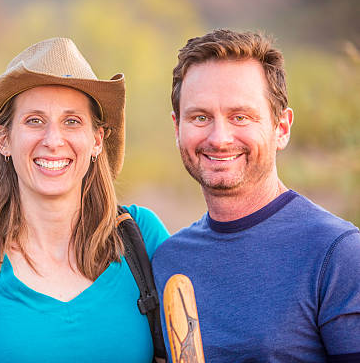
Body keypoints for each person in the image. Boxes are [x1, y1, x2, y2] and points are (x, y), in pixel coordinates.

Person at [0, 37, 169, 362]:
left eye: (72, 121)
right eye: (34, 121)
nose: (53, 140)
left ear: (97, 140)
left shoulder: (142, 239)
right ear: (4, 140)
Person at [151, 29, 360, 362]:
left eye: (240, 117)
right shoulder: (169, 262)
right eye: (201, 117)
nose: (219, 138)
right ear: (177, 128)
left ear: (282, 128)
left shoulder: (338, 254)